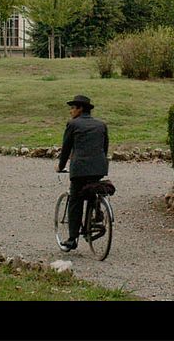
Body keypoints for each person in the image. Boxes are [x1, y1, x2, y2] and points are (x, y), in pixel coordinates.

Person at [56, 94, 108, 251]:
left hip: (79, 169)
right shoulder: (101, 125)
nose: (71, 111)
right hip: (99, 167)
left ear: (80, 109)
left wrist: (60, 166)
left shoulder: (73, 125)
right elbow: (104, 148)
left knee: (75, 201)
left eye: (73, 108)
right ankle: (96, 211)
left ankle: (72, 239)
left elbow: (66, 149)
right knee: (92, 190)